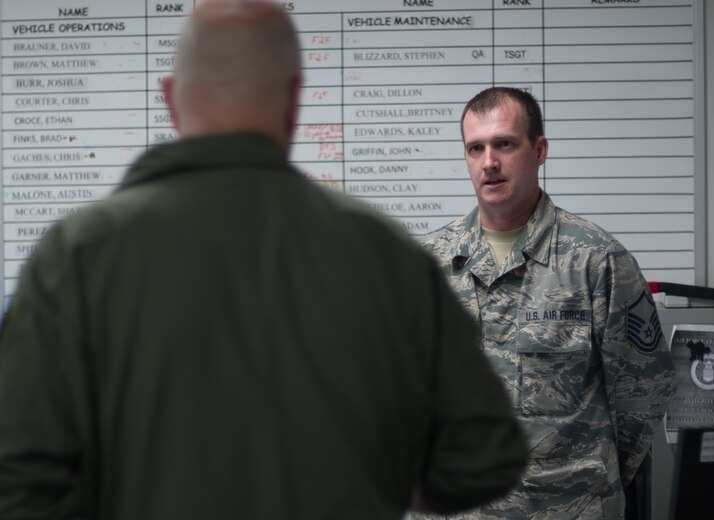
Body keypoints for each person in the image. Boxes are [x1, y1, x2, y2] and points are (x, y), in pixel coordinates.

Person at [0, 4, 528, 519]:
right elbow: (483, 455)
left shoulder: (76, 256)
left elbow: (19, 479)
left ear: (171, 98)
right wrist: (366, 478)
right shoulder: (384, 253)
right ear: (294, 100)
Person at [416, 87, 677, 519]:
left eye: (504, 144)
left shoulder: (597, 260)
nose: (489, 162)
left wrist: (586, 483)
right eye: (475, 148)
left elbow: (645, 393)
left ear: (539, 151)